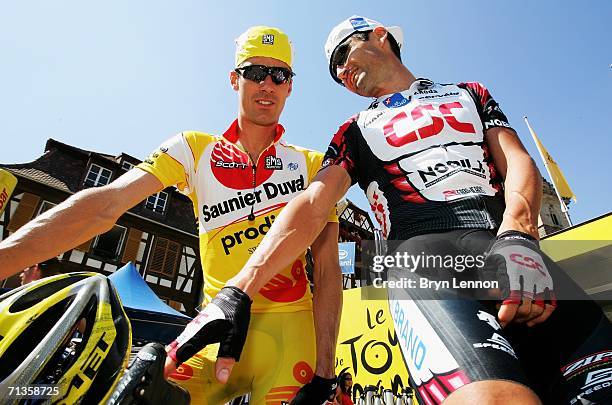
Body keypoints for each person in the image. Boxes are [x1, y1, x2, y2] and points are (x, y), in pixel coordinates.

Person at [213, 16, 612, 405]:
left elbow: (518, 160)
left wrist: (518, 235)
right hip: (422, 263)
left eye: (343, 54)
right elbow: (314, 202)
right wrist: (239, 289)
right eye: (335, 71)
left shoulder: (470, 92)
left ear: (381, 36)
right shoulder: (351, 130)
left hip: (508, 247)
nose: (341, 71)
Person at [0, 26, 342, 404]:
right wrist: (4, 260)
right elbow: (106, 203)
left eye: (279, 75)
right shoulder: (194, 149)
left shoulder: (314, 165)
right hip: (215, 325)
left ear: (290, 86)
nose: (267, 84)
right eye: (254, 72)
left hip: (290, 335)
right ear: (234, 79)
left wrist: (325, 373)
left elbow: (328, 270)